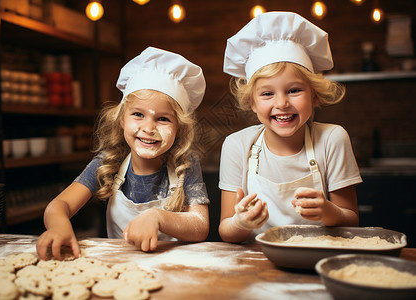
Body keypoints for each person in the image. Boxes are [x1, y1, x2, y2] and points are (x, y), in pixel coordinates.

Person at [37, 47, 210, 258]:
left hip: (173, 266)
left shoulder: (185, 164)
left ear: (179, 129)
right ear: (122, 120)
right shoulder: (109, 162)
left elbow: (200, 225)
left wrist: (158, 218)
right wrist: (58, 226)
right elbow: (58, 205)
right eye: (138, 114)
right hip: (120, 266)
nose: (148, 128)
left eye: (163, 119)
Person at [218, 12, 362, 243]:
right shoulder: (237, 145)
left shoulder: (332, 139)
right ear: (252, 103)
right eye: (267, 93)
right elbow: (226, 231)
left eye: (294, 90)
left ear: (314, 96)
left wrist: (329, 211)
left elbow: (352, 221)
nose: (282, 103)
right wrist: (240, 223)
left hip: (317, 258)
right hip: (257, 265)